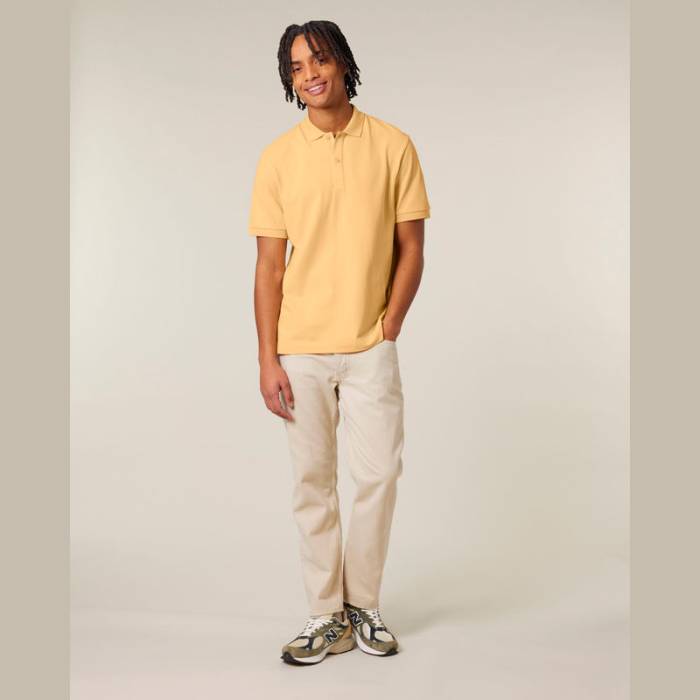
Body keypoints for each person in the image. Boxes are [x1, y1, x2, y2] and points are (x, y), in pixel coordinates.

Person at [248, 20, 431, 666]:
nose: (310, 75)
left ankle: (363, 605)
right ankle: (326, 614)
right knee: (313, 483)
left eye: (319, 60)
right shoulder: (278, 157)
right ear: (289, 81)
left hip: (368, 345)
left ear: (344, 64)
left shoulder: (393, 145)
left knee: (378, 475)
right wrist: (268, 358)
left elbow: (412, 248)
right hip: (299, 349)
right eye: (296, 68)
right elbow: (269, 268)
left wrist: (389, 326)